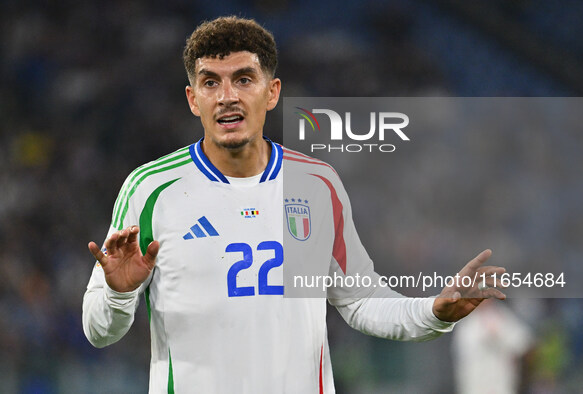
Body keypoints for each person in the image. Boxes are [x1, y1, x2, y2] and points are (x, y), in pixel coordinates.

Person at [83, 16, 506, 393]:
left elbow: (360, 301)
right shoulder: (151, 188)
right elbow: (98, 331)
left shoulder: (316, 183)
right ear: (194, 100)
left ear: (272, 92)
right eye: (211, 82)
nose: (227, 96)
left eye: (244, 79)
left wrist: (434, 310)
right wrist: (119, 295)